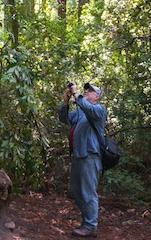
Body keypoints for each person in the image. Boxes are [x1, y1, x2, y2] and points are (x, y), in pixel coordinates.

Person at [58, 82, 106, 237]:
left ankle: (91, 225)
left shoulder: (98, 110)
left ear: (97, 96)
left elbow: (87, 107)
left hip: (90, 155)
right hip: (78, 155)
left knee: (88, 192)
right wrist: (66, 101)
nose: (86, 91)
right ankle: (87, 222)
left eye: (90, 91)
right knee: (77, 191)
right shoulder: (81, 113)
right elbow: (63, 118)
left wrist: (77, 95)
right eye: (85, 90)